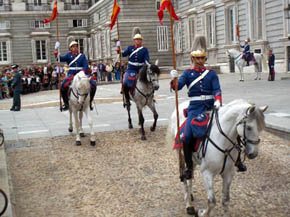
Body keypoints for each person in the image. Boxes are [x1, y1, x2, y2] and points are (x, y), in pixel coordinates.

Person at [170, 36, 246, 180]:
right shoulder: (187, 73)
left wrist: (218, 101)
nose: (200, 61)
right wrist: (174, 78)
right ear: (192, 59)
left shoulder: (211, 74)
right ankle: (189, 168)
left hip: (212, 107)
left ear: (205, 59)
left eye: (202, 58)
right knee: (186, 137)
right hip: (195, 109)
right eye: (197, 58)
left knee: (230, 128)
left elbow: (217, 89)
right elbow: (177, 87)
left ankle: (237, 160)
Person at [55, 41, 97, 111]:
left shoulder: (82, 56)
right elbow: (60, 59)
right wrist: (56, 51)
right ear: (70, 48)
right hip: (72, 74)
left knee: (93, 84)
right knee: (62, 85)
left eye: (76, 46)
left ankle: (90, 101)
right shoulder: (68, 55)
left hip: (81, 73)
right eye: (73, 46)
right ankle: (66, 103)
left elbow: (85, 65)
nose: (75, 48)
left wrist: (82, 72)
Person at [116, 27, 150, 107]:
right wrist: (118, 48)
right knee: (126, 82)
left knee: (150, 81)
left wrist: (147, 64)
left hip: (141, 69)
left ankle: (150, 96)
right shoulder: (130, 48)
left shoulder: (144, 49)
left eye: (139, 40)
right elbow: (122, 54)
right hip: (131, 69)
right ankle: (127, 100)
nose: (138, 41)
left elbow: (146, 59)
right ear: (134, 40)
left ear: (141, 41)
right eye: (137, 39)